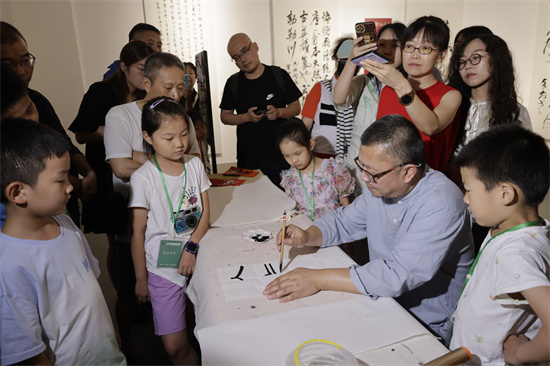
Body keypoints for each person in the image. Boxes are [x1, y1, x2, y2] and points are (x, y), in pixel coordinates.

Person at [263, 114, 474, 339]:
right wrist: (308, 235)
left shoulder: (441, 202)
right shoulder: (381, 187)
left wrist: (317, 279)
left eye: (372, 172)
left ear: (408, 172)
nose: (363, 177)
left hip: (428, 322)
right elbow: (343, 221)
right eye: (361, 166)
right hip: (387, 304)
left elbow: (396, 274)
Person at [0, 119, 126, 365]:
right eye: (60, 180)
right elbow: (28, 356)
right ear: (17, 192)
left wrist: (110, 333)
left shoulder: (65, 225)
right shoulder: (9, 265)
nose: (71, 186)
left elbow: (90, 290)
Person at [104, 51, 200, 359]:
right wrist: (164, 163)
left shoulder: (182, 118)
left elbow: (194, 163)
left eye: (181, 87)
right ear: (146, 83)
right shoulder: (120, 115)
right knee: (133, 292)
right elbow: (119, 168)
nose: (176, 94)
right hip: (136, 227)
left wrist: (141, 157)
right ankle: (130, 351)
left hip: (183, 234)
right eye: (167, 87)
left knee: (186, 308)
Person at [449, 124, 550, 365]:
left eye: (469, 190)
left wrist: (518, 354)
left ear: (505, 194)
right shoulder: (512, 228)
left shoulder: (515, 253)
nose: (465, 199)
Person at [130, 97, 210, 364]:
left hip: (198, 258)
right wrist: (141, 279)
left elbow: (205, 214)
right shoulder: (143, 177)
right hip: (161, 270)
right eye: (169, 137)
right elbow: (138, 233)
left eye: (184, 134)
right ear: (148, 137)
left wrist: (192, 246)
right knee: (175, 346)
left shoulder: (195, 165)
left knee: (209, 332)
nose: (180, 143)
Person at [1, 21, 97, 227]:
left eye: (25, 60)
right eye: (9, 65)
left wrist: (88, 173)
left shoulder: (37, 99)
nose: (21, 71)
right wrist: (73, 182)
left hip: (62, 212)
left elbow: (64, 140)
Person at [362, 16, 461, 174]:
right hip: (386, 181)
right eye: (409, 46)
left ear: (441, 55)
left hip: (425, 185)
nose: (415, 55)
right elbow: (380, 142)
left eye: (425, 49)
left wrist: (401, 85)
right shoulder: (388, 91)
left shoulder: (450, 95)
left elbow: (430, 126)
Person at [220, 32, 302, 188]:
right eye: (236, 57)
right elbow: (225, 116)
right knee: (251, 203)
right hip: (248, 158)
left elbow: (296, 107)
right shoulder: (233, 83)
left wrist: (279, 113)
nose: (242, 59)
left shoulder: (279, 75)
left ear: (255, 47)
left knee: (282, 203)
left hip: (280, 155)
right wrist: (246, 117)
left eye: (244, 51)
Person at [334, 22, 406, 194]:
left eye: (395, 45)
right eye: (382, 44)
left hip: (389, 172)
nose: (388, 50)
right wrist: (353, 59)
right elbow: (338, 98)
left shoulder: (408, 87)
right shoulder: (365, 82)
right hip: (356, 167)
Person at [447, 34, 532, 154]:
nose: (468, 65)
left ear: (497, 59)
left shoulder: (516, 112)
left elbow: (523, 163)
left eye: (475, 57)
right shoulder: (451, 104)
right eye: (462, 61)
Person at [277, 117, 354, 221]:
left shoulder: (333, 169)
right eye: (286, 156)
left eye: (298, 153)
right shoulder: (290, 178)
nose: (293, 160)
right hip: (306, 231)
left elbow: (346, 207)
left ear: (311, 145)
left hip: (334, 229)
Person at [301, 36, 357, 159]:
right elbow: (306, 125)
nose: (349, 65)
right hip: (321, 154)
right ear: (336, 61)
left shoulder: (364, 88)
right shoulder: (320, 88)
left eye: (353, 61)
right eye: (345, 60)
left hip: (353, 157)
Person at [188, 110, 212, 174]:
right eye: (196, 129)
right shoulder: (189, 146)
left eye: (202, 126)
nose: (202, 131)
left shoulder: (202, 143)